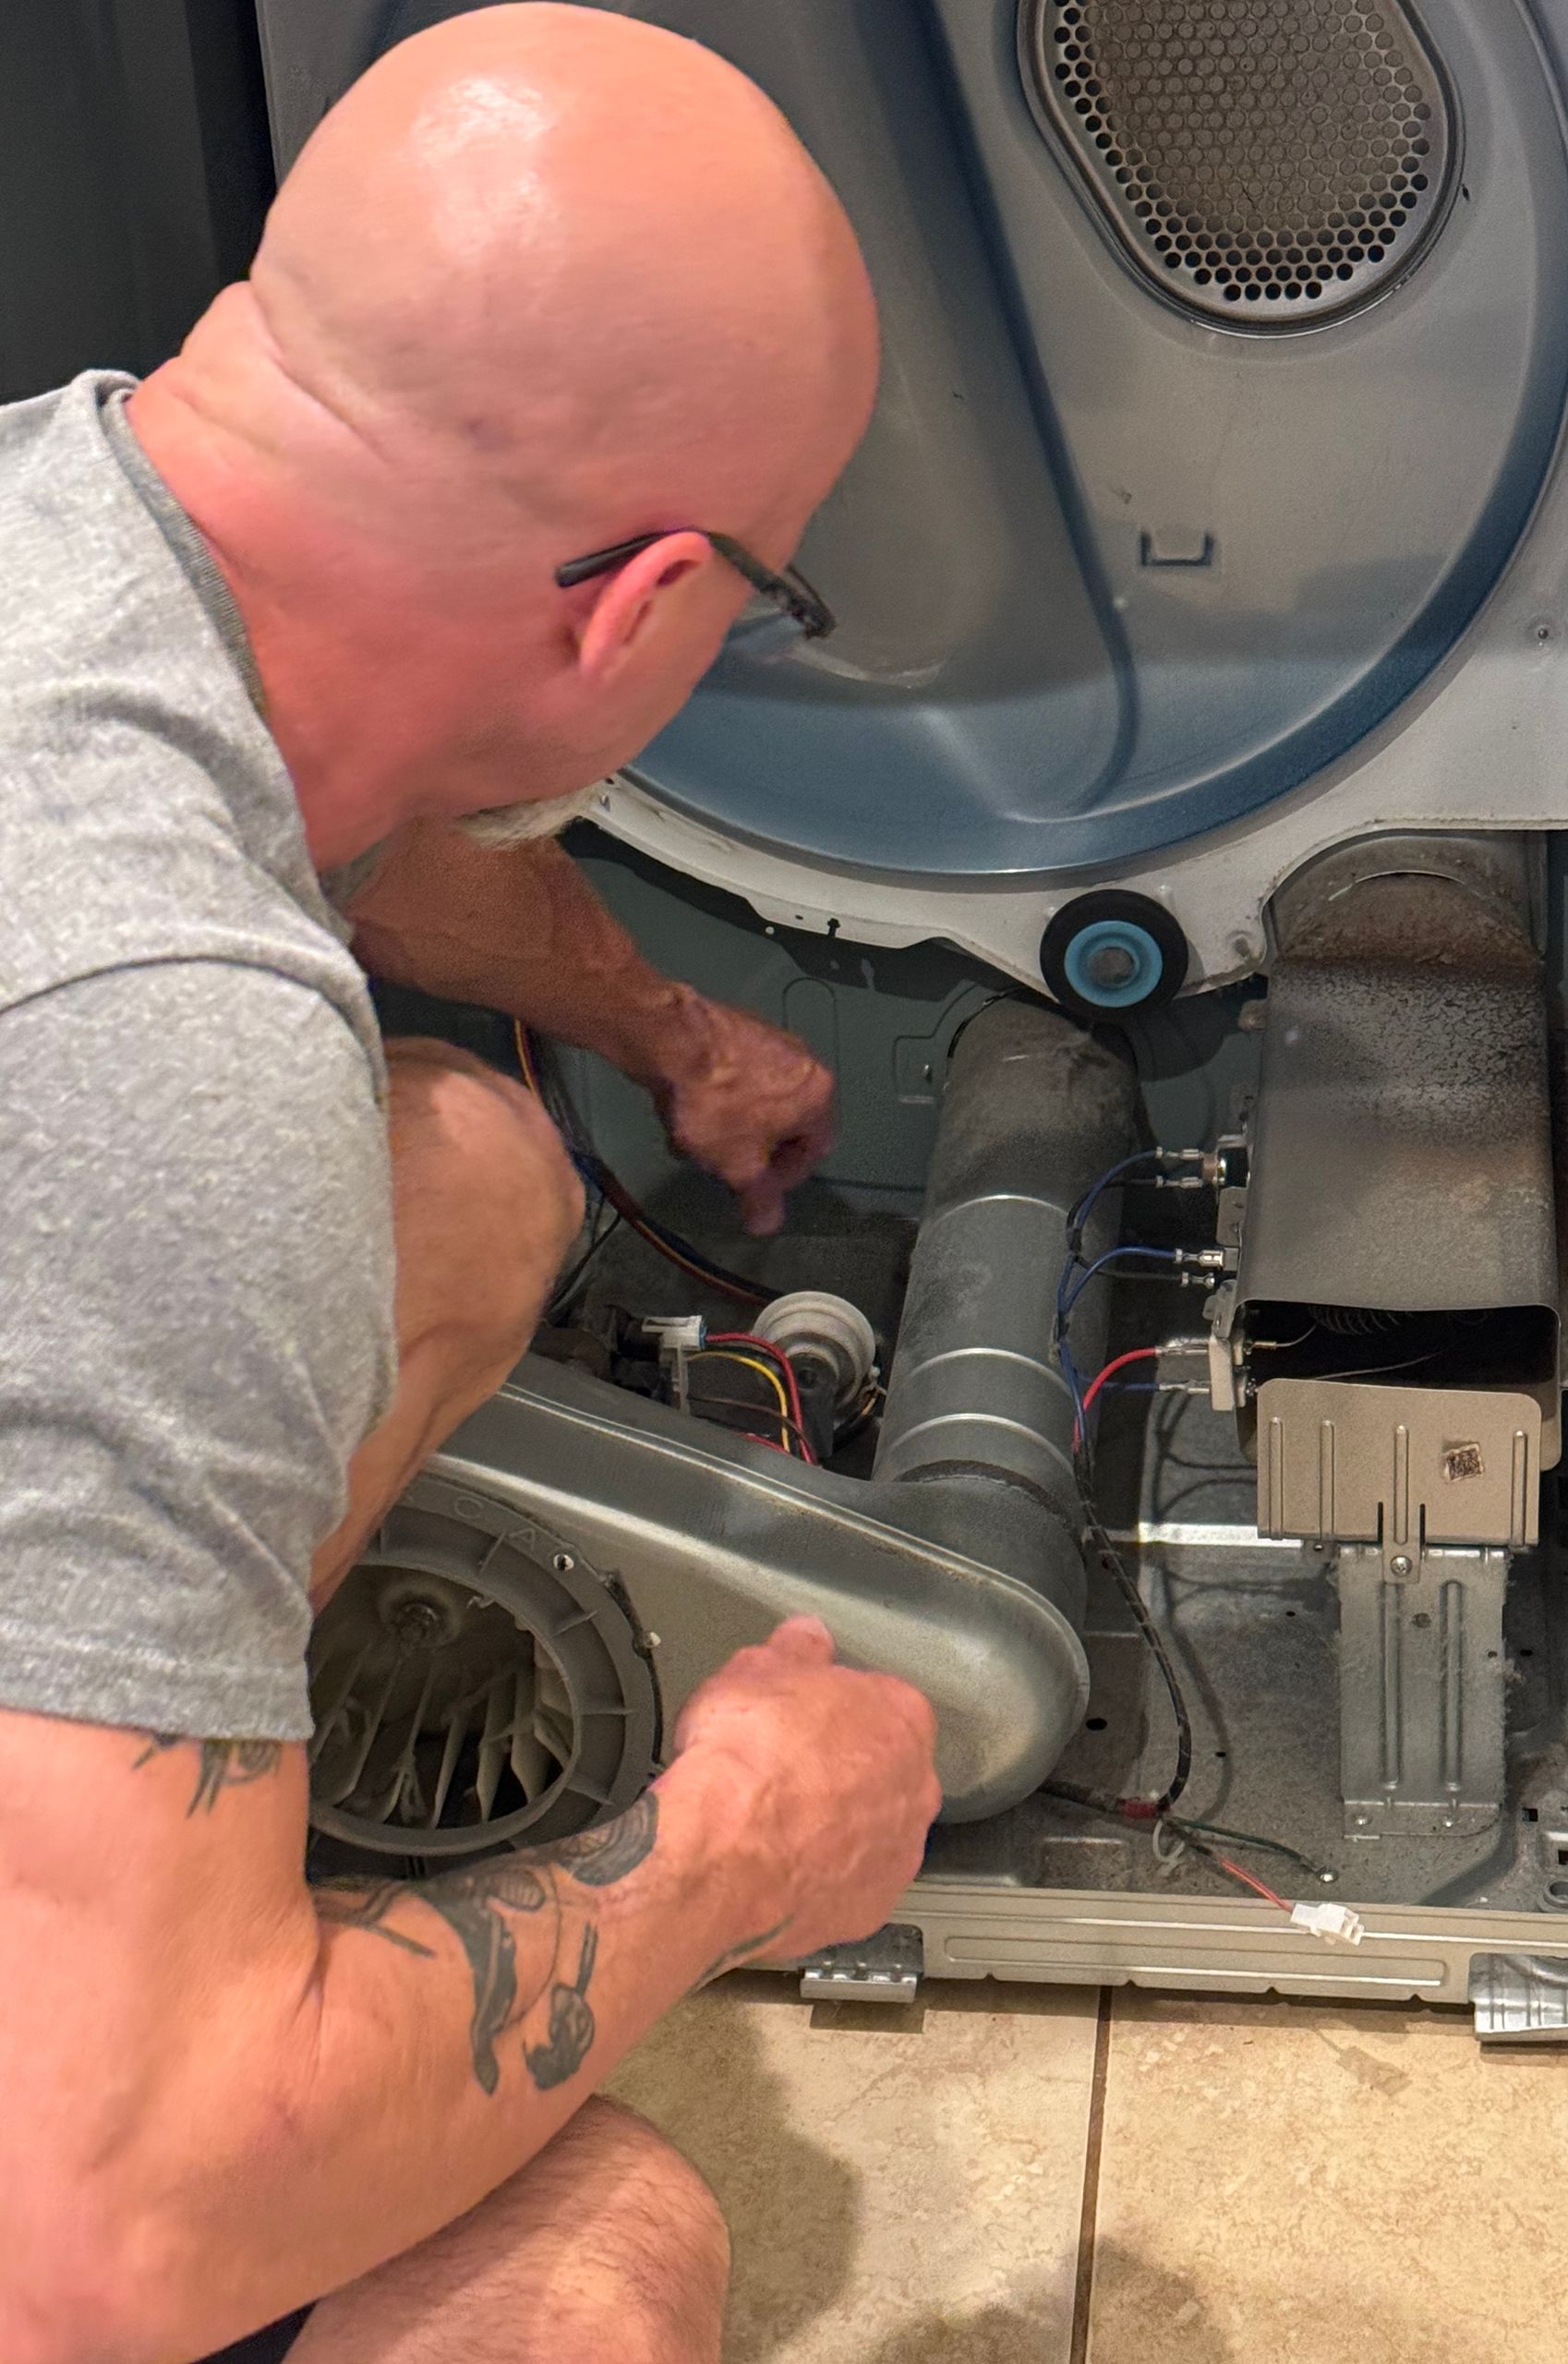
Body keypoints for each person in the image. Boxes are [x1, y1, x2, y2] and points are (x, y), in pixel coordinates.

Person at [0, 9, 943, 2360]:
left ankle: (122, 1858)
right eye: (763, 597)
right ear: (638, 604)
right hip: (66, 2217)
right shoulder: (160, 1044)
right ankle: (139, 1945)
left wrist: (677, 1036)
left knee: (473, 1169)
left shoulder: (68, 526)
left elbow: (376, 815)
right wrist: (732, 1843)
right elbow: (95, 2251)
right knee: (592, 2259)